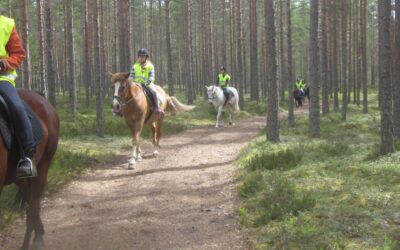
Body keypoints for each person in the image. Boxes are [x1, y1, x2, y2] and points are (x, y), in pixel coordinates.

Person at [0, 9, 37, 178]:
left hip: (2, 79)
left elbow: (19, 54)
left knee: (16, 107)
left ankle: (27, 156)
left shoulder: (6, 24)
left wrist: (5, 63)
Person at [129, 48, 163, 116]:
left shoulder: (150, 66)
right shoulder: (135, 66)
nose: (141, 58)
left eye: (143, 56)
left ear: (146, 57)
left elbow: (151, 77)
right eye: (140, 56)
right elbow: (131, 77)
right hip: (136, 85)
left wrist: (146, 83)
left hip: (147, 85)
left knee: (154, 93)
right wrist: (132, 83)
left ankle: (157, 108)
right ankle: (121, 108)